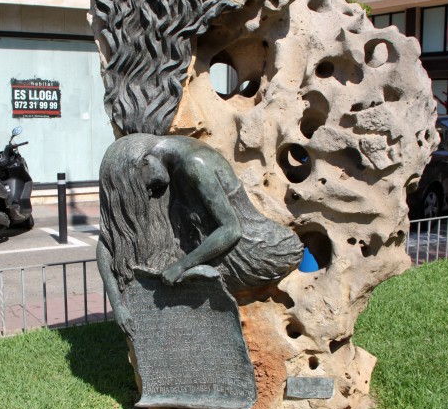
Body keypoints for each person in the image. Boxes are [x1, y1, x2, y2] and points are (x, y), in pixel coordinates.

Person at [97, 134, 303, 334]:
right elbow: (107, 242)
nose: (149, 192)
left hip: (251, 251)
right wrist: (118, 306)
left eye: (143, 184)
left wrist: (181, 266)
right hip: (220, 248)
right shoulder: (170, 161)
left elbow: (231, 229)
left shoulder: (194, 164)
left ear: (145, 162)